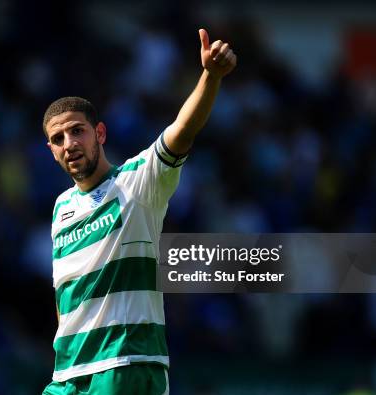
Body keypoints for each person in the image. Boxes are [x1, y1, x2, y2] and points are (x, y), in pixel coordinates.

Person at [42, 28, 236, 395]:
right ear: (50, 149)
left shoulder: (138, 180)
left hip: (123, 365)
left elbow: (183, 130)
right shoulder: (61, 208)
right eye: (58, 138)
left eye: (77, 131)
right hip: (67, 375)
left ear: (99, 133)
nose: (69, 144)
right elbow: (64, 297)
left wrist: (211, 76)